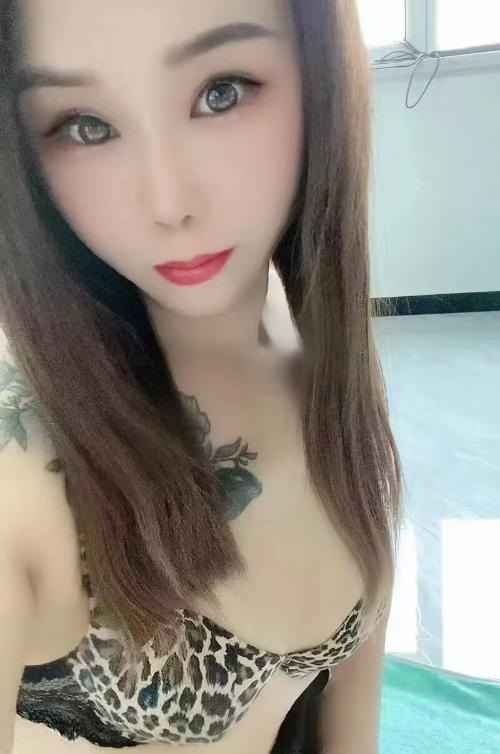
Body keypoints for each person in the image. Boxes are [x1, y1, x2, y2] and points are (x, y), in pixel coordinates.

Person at [0, 1, 404, 752]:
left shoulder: (319, 350)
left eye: (221, 92)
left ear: (319, 75)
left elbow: (352, 724)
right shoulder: (22, 465)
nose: (169, 204)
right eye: (85, 125)